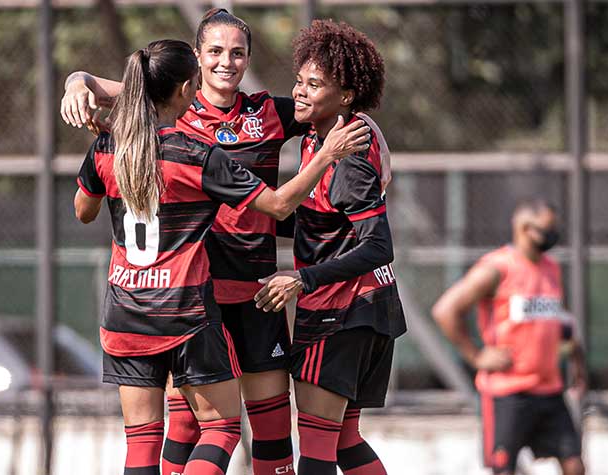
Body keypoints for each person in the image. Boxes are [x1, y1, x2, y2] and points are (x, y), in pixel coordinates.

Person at [63, 9, 381, 475]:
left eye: (237, 52)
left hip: (254, 296)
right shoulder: (178, 109)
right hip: (193, 298)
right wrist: (77, 81)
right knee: (188, 430)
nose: (226, 62)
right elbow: (118, 83)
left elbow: (337, 106)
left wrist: (378, 145)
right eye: (214, 51)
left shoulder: (268, 112)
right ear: (195, 62)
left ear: (249, 57)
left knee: (271, 430)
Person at [253, 20, 406, 475]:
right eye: (299, 80)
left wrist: (303, 278)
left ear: (345, 96)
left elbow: (378, 245)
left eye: (314, 84)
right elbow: (324, 222)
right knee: (344, 441)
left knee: (317, 451)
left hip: (341, 315)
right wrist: (251, 223)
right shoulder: (327, 137)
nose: (300, 91)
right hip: (370, 309)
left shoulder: (346, 158)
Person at [431, 198, 587, 475]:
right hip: (508, 391)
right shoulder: (497, 268)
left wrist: (576, 358)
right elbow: (445, 310)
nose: (553, 236)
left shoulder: (551, 268)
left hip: (549, 388)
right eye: (547, 229)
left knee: (574, 465)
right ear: (525, 228)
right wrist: (476, 355)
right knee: (505, 469)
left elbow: (557, 320)